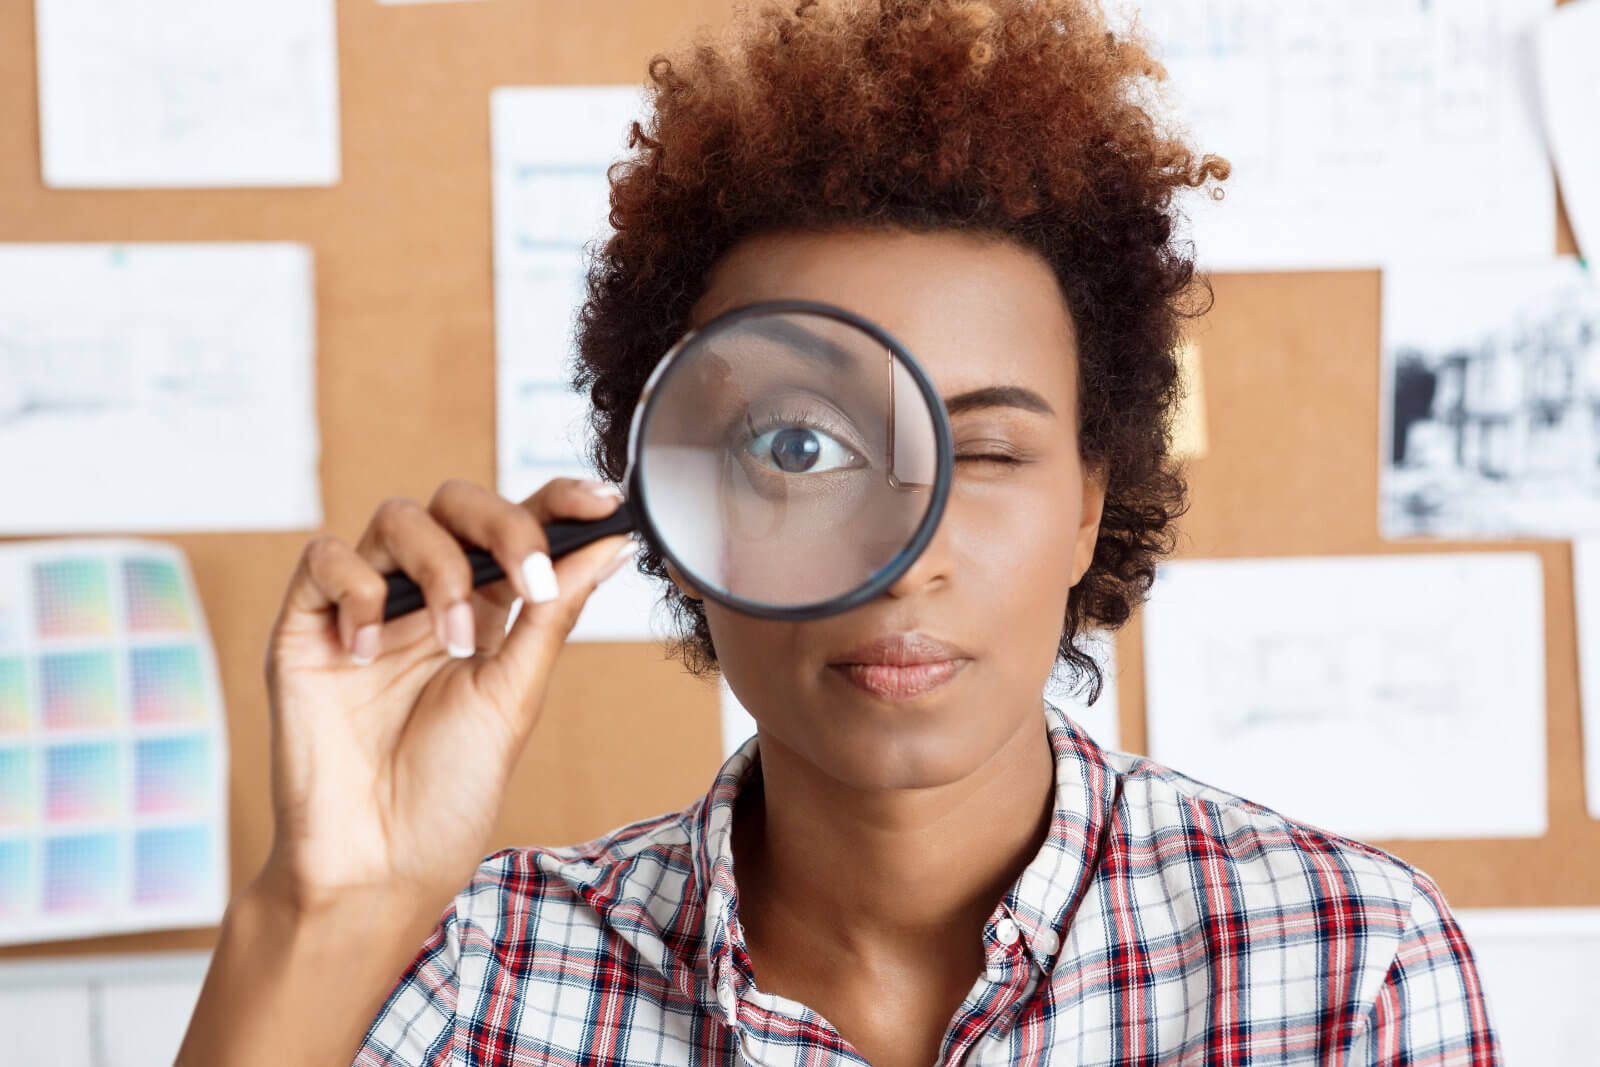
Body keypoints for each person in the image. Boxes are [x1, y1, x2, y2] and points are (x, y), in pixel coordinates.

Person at [178, 1, 1501, 1064]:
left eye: (984, 451)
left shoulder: (1348, 968)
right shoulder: (466, 985)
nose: (907, 549)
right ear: (677, 497)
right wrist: (331, 903)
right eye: (799, 448)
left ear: (1095, 496)